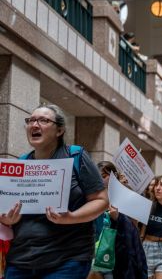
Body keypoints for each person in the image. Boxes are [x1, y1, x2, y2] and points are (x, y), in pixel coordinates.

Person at [1, 104, 108, 278]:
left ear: (59, 131)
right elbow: (6, 210)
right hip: (21, 259)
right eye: (31, 120)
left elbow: (101, 200)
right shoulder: (20, 163)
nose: (34, 125)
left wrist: (71, 218)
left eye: (43, 120)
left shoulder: (76, 156)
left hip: (67, 259)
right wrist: (7, 220)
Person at [88, 161, 147, 279]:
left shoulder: (126, 194)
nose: (100, 180)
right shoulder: (92, 196)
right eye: (97, 176)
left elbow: (133, 228)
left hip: (119, 253)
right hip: (96, 251)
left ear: (113, 176)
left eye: (104, 176)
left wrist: (118, 217)